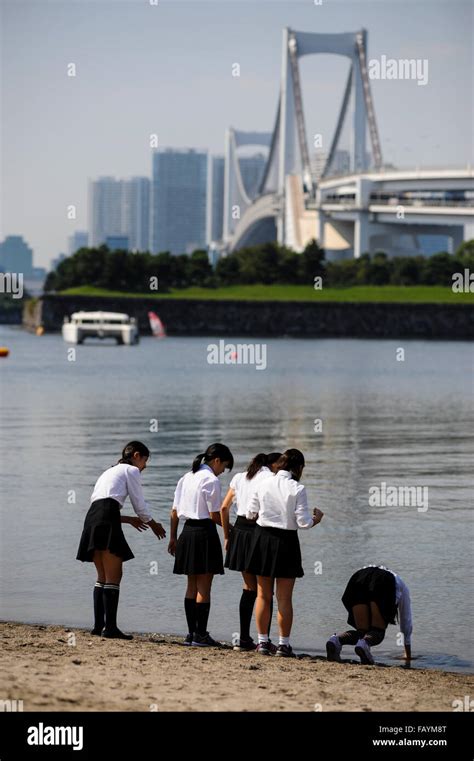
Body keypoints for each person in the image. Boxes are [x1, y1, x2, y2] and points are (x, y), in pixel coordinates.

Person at [76, 441, 166, 639]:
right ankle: (111, 629)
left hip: (92, 518)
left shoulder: (109, 471)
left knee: (102, 576)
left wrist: (128, 520)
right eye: (145, 460)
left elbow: (101, 504)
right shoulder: (131, 471)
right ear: (136, 455)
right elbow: (139, 503)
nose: (145, 466)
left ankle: (98, 626)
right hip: (107, 518)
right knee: (114, 576)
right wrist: (153, 524)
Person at [246, 449, 324, 657]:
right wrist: (317, 519)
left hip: (262, 539)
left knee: (262, 595)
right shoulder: (297, 488)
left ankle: (262, 642)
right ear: (298, 467)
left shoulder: (262, 483)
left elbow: (250, 513)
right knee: (284, 598)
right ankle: (283, 645)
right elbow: (303, 523)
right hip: (287, 543)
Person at [168, 443, 234, 647]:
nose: (223, 472)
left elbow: (174, 511)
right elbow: (215, 514)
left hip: (186, 533)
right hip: (204, 533)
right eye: (224, 467)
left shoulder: (187, 477)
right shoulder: (211, 480)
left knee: (191, 586)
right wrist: (230, 529)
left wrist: (173, 537)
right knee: (204, 587)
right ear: (216, 461)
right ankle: (201, 634)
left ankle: (191, 634)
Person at [221, 452, 281, 652]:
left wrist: (227, 535)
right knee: (265, 590)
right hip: (259, 531)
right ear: (272, 465)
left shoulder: (239, 477)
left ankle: (244, 638)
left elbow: (223, 508)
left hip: (239, 530)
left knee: (249, 587)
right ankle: (264, 640)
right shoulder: (270, 479)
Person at [326, 564, 412, 665]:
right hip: (382, 582)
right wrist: (408, 654)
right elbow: (406, 620)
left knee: (362, 632)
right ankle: (364, 644)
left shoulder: (372, 571)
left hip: (358, 577)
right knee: (377, 632)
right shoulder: (400, 584)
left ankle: (336, 640)